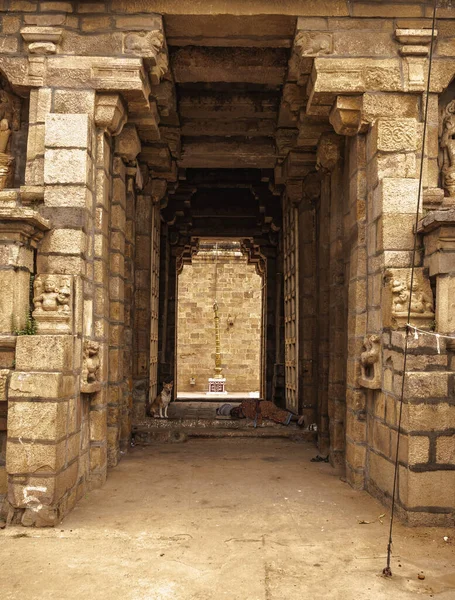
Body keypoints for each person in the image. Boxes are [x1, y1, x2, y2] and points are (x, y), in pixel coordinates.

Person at [216, 399, 305, 427]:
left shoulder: (244, 403)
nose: (236, 412)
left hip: (264, 406)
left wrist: (257, 406)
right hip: (264, 412)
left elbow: (256, 400)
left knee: (278, 414)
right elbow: (255, 417)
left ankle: (298, 417)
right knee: (278, 416)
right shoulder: (244, 414)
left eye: (234, 410)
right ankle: (297, 418)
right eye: (234, 413)